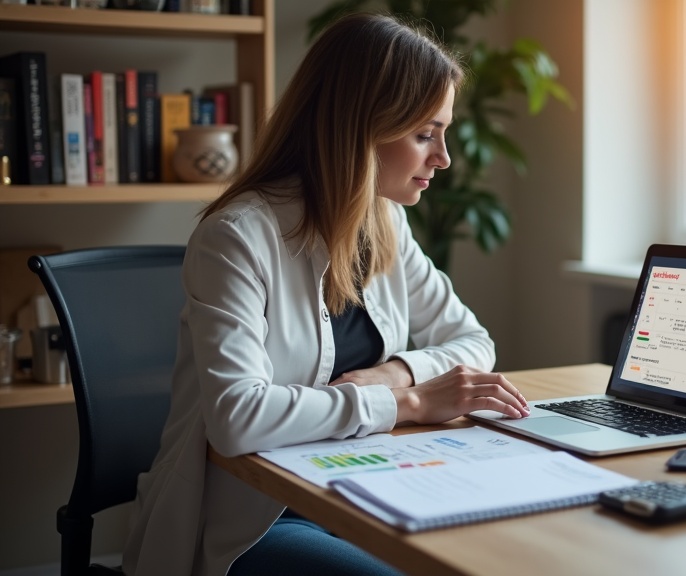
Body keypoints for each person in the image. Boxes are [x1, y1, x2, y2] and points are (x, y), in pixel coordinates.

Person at [121, 12, 531, 576]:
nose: (443, 158)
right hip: (257, 518)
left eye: (443, 133)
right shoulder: (236, 237)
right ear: (362, 127)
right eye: (423, 134)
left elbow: (472, 341)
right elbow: (238, 417)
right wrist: (408, 403)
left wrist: (396, 374)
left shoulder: (385, 221)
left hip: (365, 485)